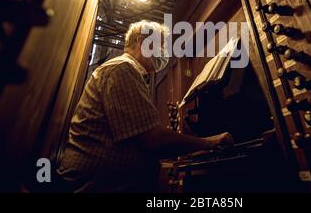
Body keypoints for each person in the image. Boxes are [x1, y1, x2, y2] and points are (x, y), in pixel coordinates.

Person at [57, 20, 234, 192]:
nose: (164, 53)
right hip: (93, 186)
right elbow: (153, 140)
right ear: (142, 42)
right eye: (161, 46)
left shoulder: (127, 71)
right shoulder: (122, 68)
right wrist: (208, 143)